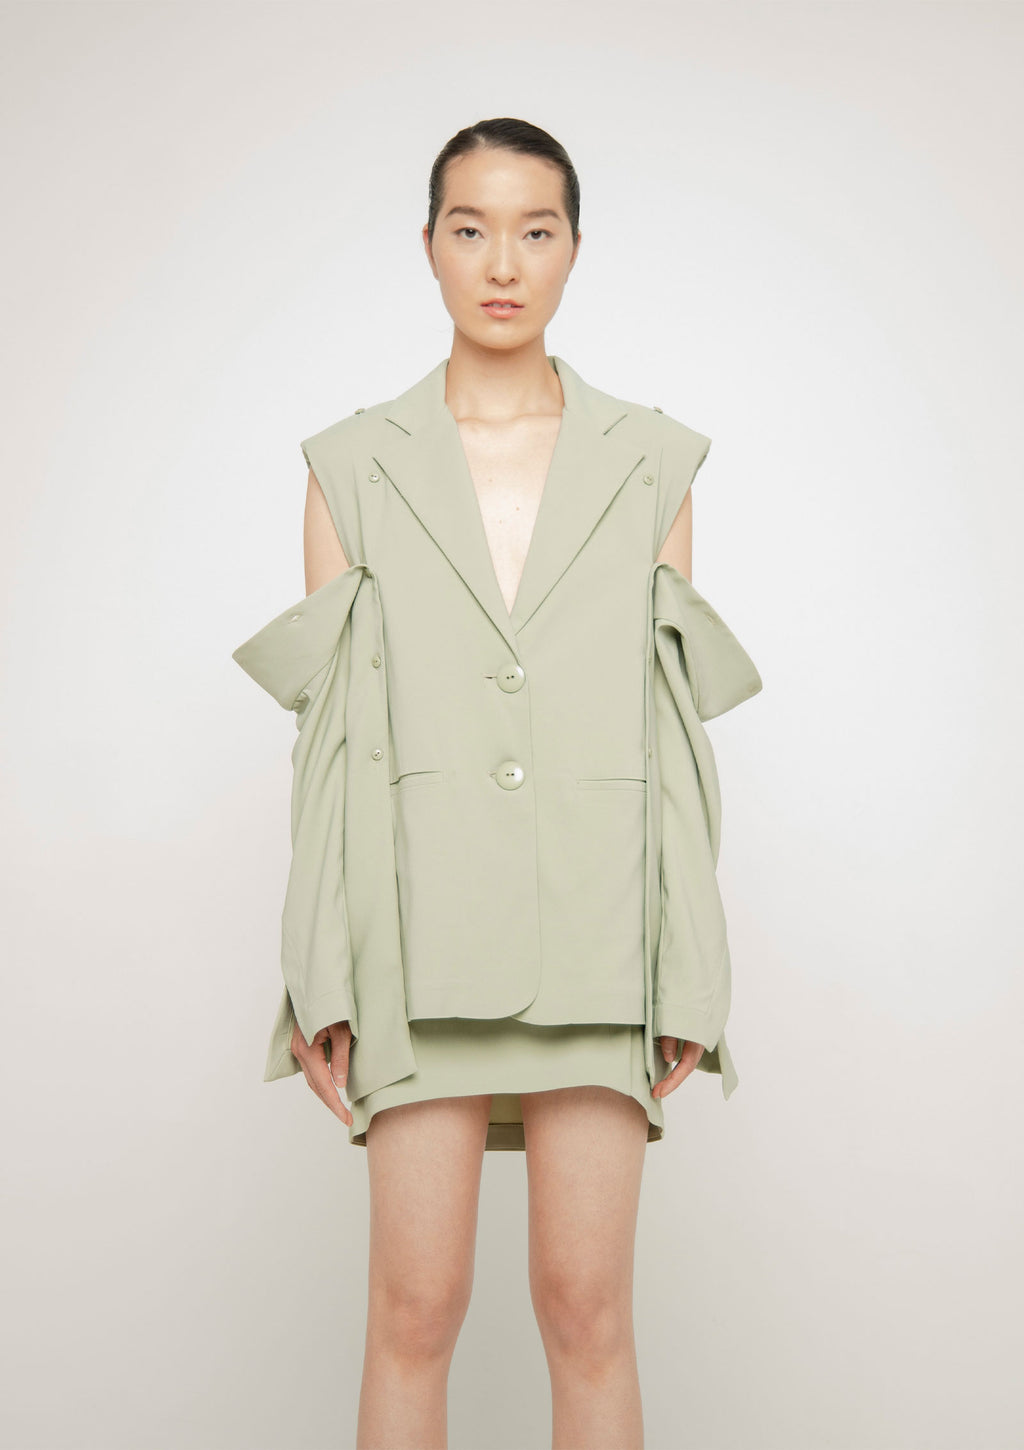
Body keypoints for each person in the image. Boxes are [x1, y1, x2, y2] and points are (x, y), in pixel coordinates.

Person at [232, 117, 762, 1450]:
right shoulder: (351, 464)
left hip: (598, 931)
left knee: (588, 1313)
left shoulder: (652, 460)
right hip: (417, 933)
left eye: (536, 230)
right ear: (429, 246)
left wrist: (688, 965)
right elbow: (332, 743)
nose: (503, 263)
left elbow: (670, 735)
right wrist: (321, 970)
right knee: (414, 1313)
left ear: (576, 248)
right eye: (471, 229)